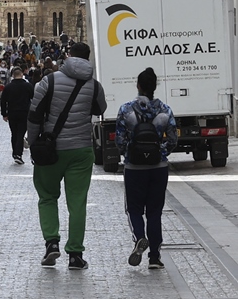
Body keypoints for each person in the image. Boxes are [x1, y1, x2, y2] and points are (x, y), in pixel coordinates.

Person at [27, 42, 107, 270]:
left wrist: (34, 145)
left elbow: (34, 117)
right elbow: (100, 109)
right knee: (78, 202)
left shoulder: (48, 81)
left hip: (51, 150)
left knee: (47, 197)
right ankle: (75, 255)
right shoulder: (94, 85)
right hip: (81, 151)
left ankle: (52, 243)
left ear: (69, 56)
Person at [115, 68, 176, 269]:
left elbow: (120, 140)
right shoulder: (165, 110)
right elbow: (173, 138)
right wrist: (162, 152)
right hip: (158, 167)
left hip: (134, 167)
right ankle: (155, 257)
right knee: (155, 211)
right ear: (155, 86)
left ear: (138, 86)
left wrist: (128, 154)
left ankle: (140, 237)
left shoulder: (126, 110)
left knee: (133, 208)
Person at [0, 66, 34, 165]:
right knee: (21, 133)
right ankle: (18, 154)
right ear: (22, 74)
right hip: (24, 113)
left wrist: (4, 114)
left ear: (13, 76)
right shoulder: (28, 86)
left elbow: (3, 101)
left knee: (14, 133)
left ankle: (15, 152)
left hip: (12, 113)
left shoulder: (8, 87)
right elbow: (34, 98)